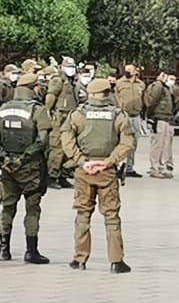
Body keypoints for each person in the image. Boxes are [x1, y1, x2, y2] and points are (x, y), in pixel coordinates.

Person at [60, 77, 135, 272]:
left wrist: (82, 161)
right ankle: (116, 261)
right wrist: (109, 161)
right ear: (107, 94)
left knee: (83, 215)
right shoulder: (118, 115)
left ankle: (79, 259)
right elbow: (128, 142)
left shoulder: (78, 114)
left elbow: (66, 139)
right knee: (111, 216)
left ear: (91, 94)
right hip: (107, 171)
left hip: (84, 170)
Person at [0, 65, 52, 264]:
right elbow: (42, 141)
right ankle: (31, 251)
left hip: (7, 168)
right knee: (32, 209)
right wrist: (23, 159)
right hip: (30, 168)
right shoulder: (38, 110)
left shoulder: (3, 108)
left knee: (7, 207)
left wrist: (6, 158)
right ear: (33, 88)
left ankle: (3, 249)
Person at [45, 57, 80, 187]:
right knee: (57, 147)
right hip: (59, 117)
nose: (71, 70)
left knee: (68, 146)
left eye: (72, 67)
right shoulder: (58, 80)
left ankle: (63, 175)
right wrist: (48, 112)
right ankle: (52, 176)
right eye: (68, 67)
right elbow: (50, 97)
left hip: (70, 117)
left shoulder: (72, 81)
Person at [143, 70, 179, 179]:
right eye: (168, 77)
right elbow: (152, 102)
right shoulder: (157, 86)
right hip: (158, 118)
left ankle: (162, 167)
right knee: (157, 144)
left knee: (165, 144)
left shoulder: (167, 88)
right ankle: (154, 168)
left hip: (166, 118)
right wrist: (150, 116)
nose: (171, 80)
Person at [114, 64, 145, 178]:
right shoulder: (119, 83)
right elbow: (115, 98)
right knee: (121, 142)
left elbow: (144, 98)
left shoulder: (141, 84)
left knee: (134, 142)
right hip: (123, 115)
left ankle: (130, 168)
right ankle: (117, 166)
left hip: (136, 115)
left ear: (135, 71)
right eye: (126, 69)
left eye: (130, 69)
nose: (127, 71)